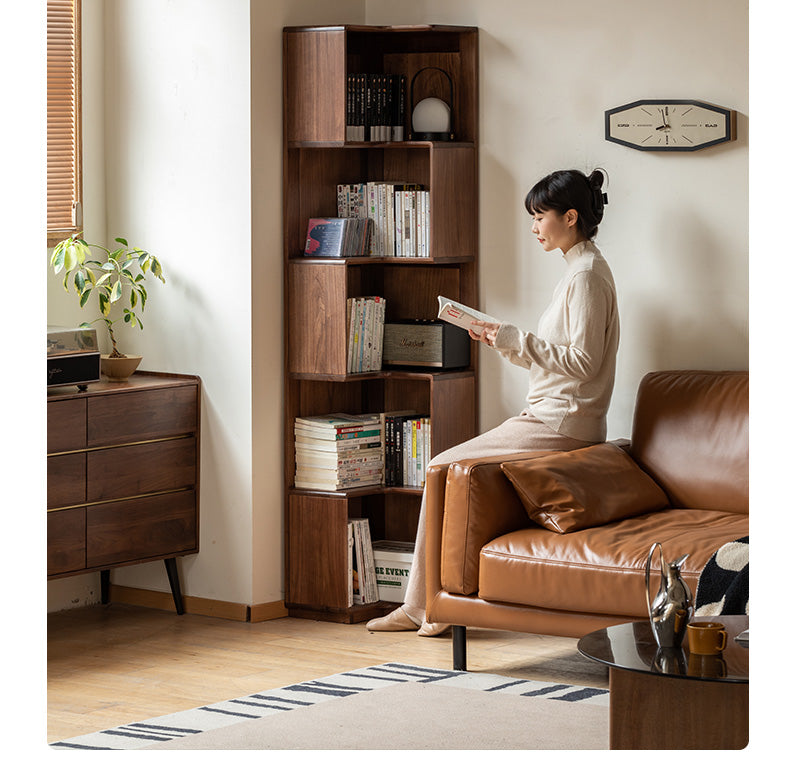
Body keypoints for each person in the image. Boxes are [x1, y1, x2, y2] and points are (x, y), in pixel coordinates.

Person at [366, 168, 620, 636]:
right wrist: (501, 340)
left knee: (441, 467)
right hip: (553, 415)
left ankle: (424, 607)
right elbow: (560, 361)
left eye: (539, 217)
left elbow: (583, 362)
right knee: (452, 471)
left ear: (569, 217)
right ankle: (428, 605)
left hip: (560, 422)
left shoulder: (585, 277)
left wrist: (513, 337)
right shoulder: (580, 269)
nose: (533, 227)